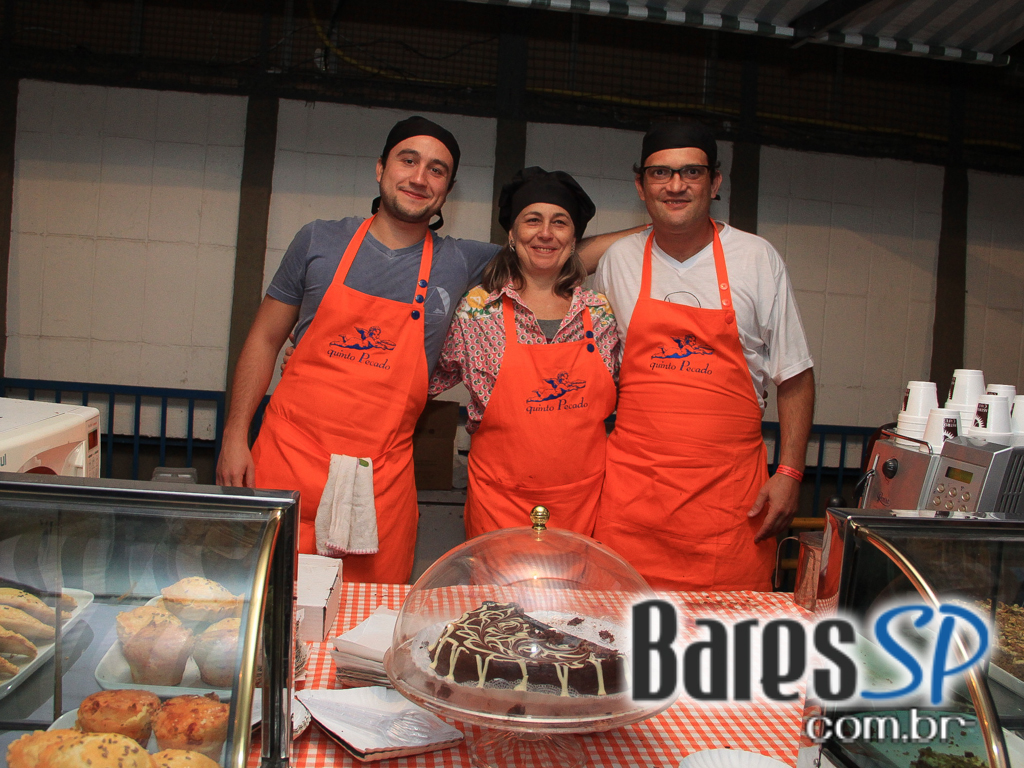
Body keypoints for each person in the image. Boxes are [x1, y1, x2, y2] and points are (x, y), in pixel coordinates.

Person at [216, 116, 630, 584]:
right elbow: (264, 337)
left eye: (436, 170)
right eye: (407, 160)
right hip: (286, 462)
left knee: (365, 629)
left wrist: (657, 232)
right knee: (268, 608)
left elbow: (550, 254)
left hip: (381, 484)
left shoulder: (460, 262)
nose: (418, 177)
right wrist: (235, 434)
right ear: (380, 168)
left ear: (446, 190)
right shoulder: (319, 241)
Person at [593, 121, 815, 592]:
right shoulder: (618, 261)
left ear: (714, 183)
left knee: (723, 654)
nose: (675, 185)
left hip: (730, 506)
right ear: (641, 185)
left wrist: (791, 472)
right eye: (660, 174)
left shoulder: (756, 258)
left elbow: (794, 374)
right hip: (634, 501)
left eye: (691, 172)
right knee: (620, 646)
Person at [429, 168, 618, 538]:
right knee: (498, 597)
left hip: (585, 502)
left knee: (579, 597)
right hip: (498, 502)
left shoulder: (600, 312)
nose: (545, 233)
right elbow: (421, 376)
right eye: (533, 220)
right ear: (513, 235)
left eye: (559, 222)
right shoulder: (478, 310)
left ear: (573, 237)